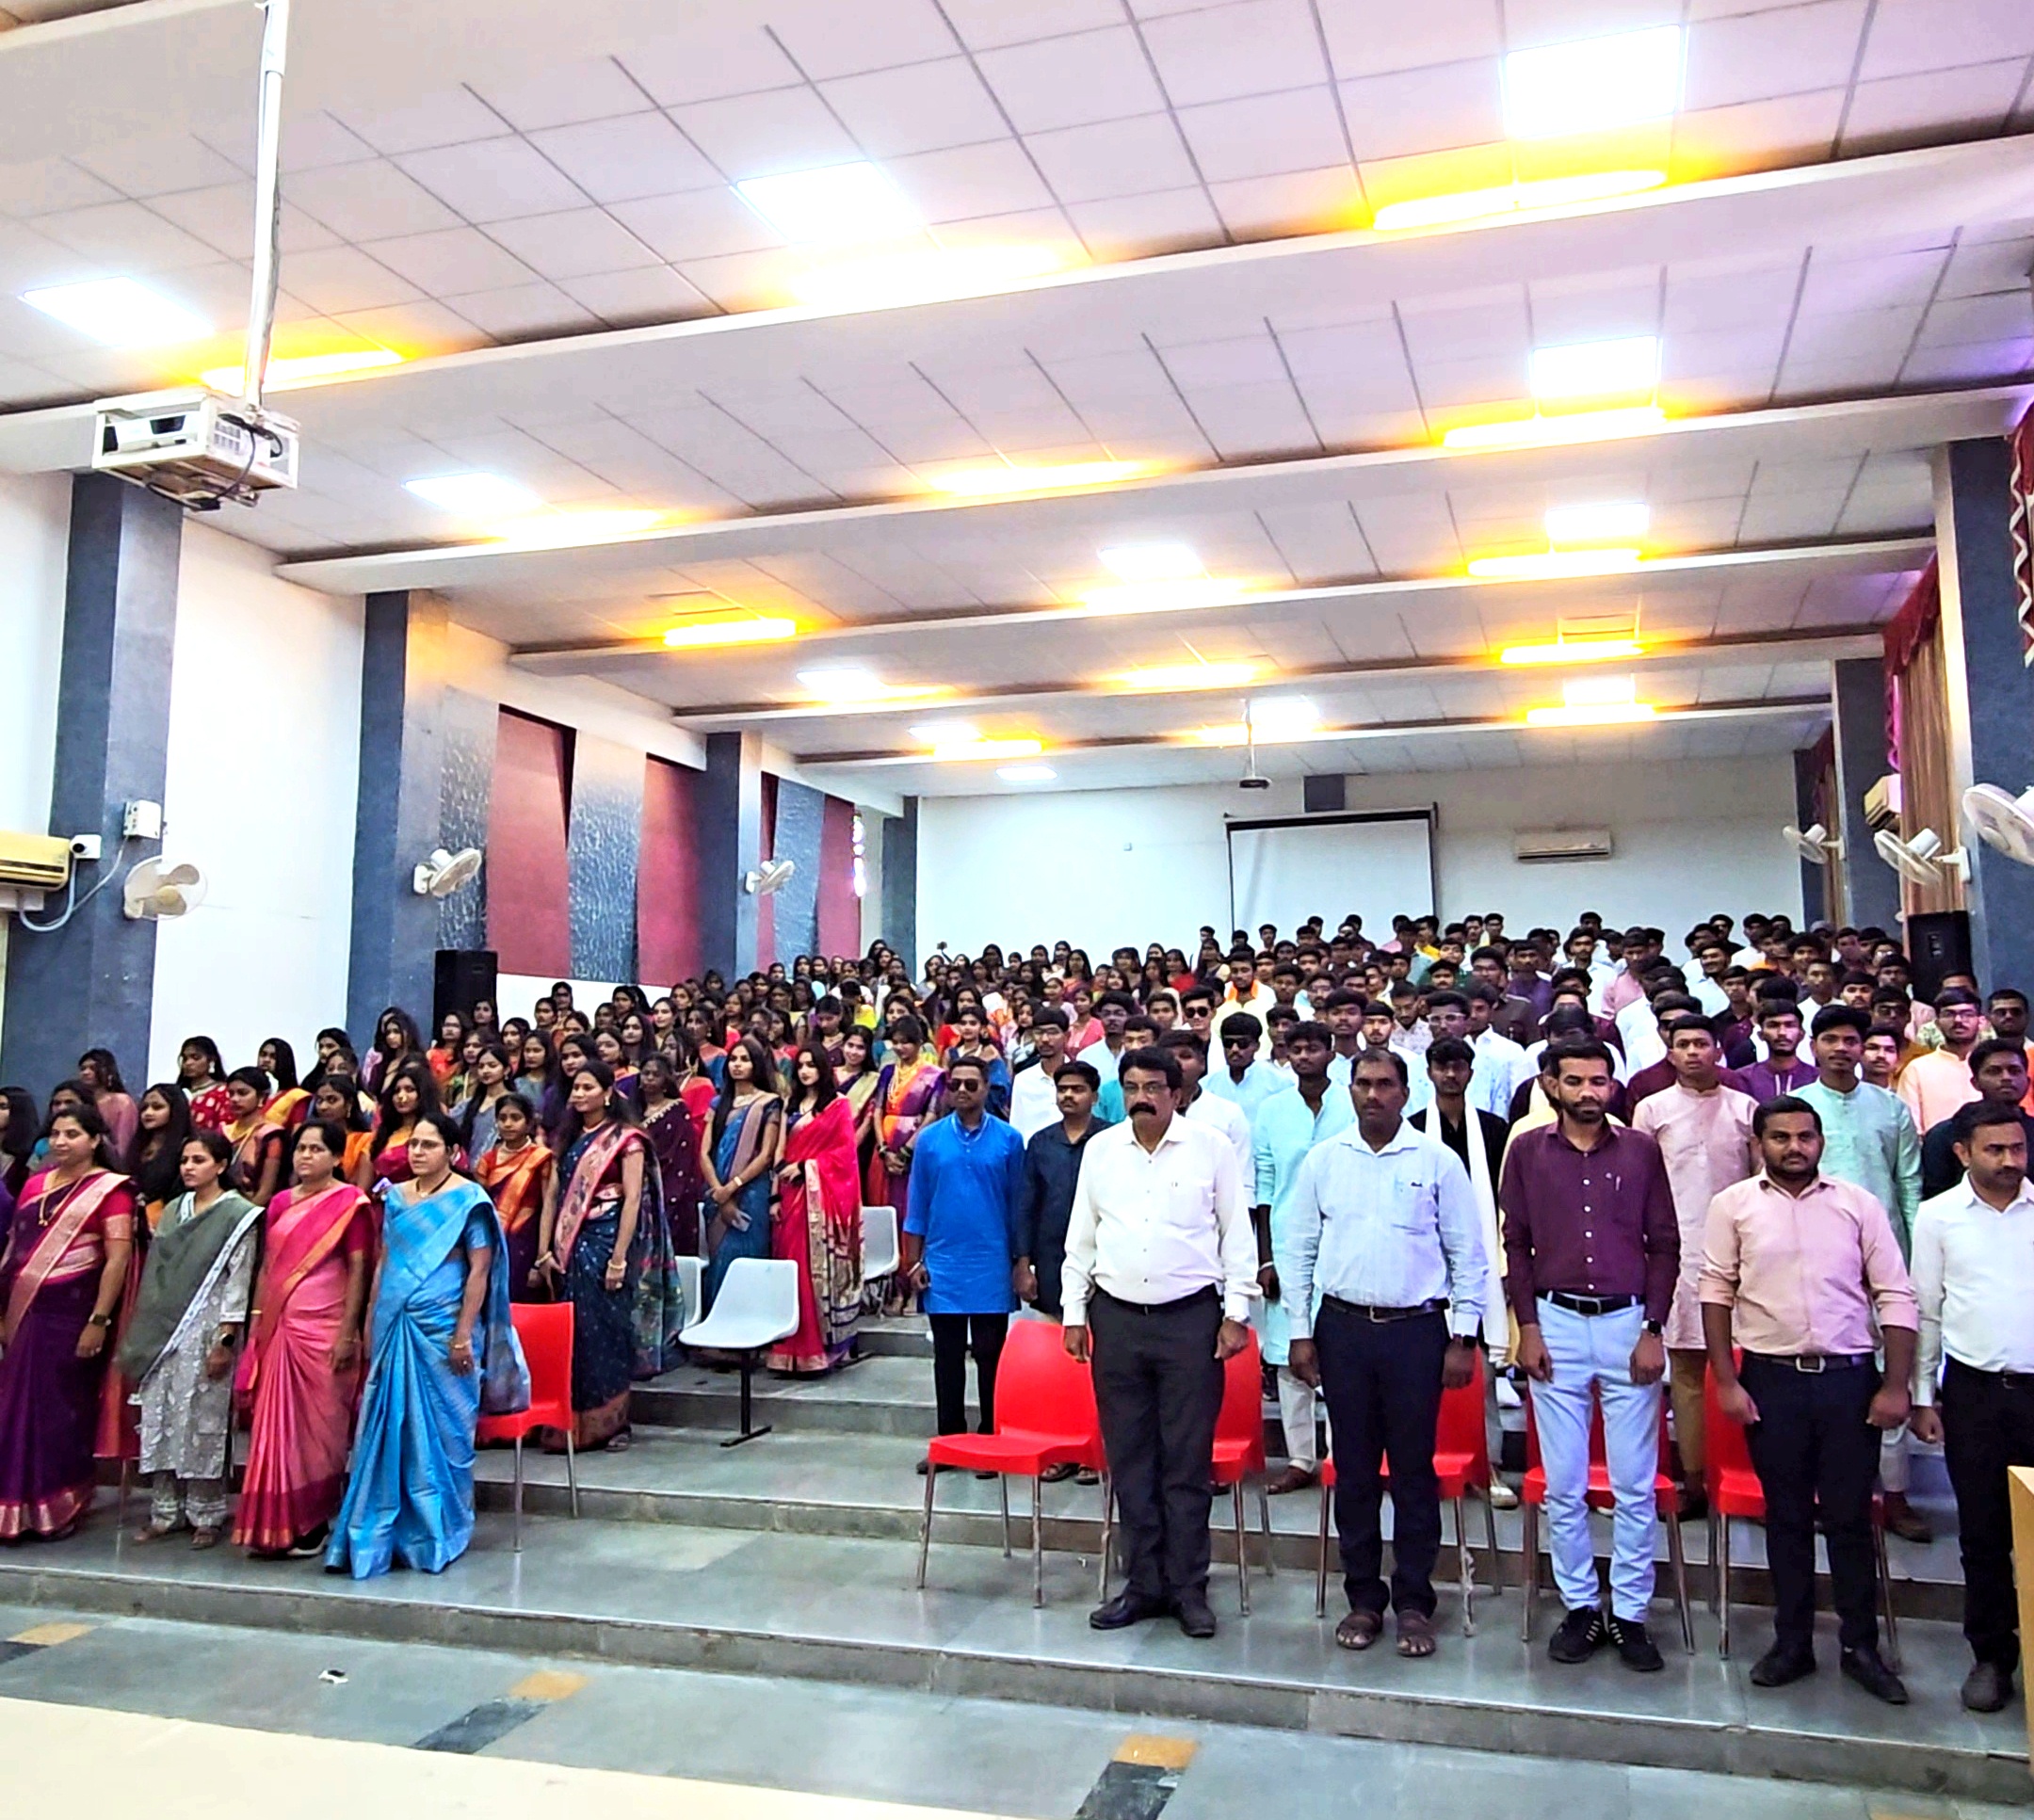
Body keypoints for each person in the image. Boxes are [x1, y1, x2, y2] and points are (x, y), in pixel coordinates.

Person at [1701, 1097, 1917, 1705]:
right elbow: (1715, 1291)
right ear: (1758, 1144)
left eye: (1804, 1136)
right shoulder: (1733, 1205)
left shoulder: (1857, 1203)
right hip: (1772, 1381)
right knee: (1787, 1517)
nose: (1794, 1147)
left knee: (1849, 1518)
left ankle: (1861, 1646)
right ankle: (1792, 1642)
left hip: (1849, 1381)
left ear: (1821, 1142)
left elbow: (1895, 1294)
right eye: (1780, 1137)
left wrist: (1896, 1384)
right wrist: (1726, 1380)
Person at [1283, 1050, 1486, 1658]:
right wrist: (1300, 1330)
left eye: (1385, 1084)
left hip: (1417, 1332)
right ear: (1350, 1091)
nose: (1373, 1094)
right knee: (1353, 1471)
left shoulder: (1437, 1160)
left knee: (1414, 1471)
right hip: (1342, 1329)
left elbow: (1468, 1253)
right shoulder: (1324, 1159)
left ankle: (1415, 1602)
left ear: (1405, 1091)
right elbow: (1297, 1248)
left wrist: (1463, 1336)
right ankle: (1364, 1598)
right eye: (1363, 1084)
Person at [1063, 1047, 1256, 1640]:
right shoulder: (1101, 1150)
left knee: (1186, 1462)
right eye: (1132, 1087)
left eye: (1153, 1087)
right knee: (1131, 1458)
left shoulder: (1211, 1148)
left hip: (1190, 1321)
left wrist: (1236, 1313)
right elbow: (1082, 1236)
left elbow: (1236, 1233)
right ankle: (1143, 1584)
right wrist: (1074, 1314)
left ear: (1177, 1093)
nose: (1141, 1097)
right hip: (1117, 1319)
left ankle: (1188, 1587)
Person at [1501, 1041, 1678, 1671]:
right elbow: (1516, 1244)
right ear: (1551, 1084)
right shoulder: (1526, 1151)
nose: (1587, 1092)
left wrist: (1653, 1327)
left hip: (1629, 1321)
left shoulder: (1641, 1151)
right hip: (1555, 1321)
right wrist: (1527, 1328)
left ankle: (1629, 1612)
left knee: (1633, 1483)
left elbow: (1665, 1243)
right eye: (1574, 1080)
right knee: (1566, 1483)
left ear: (1612, 1086)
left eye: (1598, 1081)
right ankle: (1580, 1605)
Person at [326, 1111, 527, 1579]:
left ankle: (437, 1533)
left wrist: (463, 1335)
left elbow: (479, 1272)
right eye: (413, 1144)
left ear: (453, 1152)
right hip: (395, 1322)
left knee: (443, 1437)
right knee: (385, 1430)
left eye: (428, 1145)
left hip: (443, 1332)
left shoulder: (470, 1201)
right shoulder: (395, 1197)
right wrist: (371, 1319)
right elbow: (385, 1262)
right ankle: (379, 1536)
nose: (417, 1152)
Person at [1910, 1102, 2034, 1713]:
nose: (2010, 1160)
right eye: (1995, 1150)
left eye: (2018, 1148)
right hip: (1975, 1394)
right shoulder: (1937, 1217)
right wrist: (1921, 1395)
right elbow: (1926, 1311)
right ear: (1962, 1152)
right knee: (1983, 1534)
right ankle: (1992, 1656)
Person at [1794, 1003, 1929, 1542]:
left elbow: (1909, 1183)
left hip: (1885, 1255)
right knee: (1827, 1377)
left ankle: (1895, 1495)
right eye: (1831, 1040)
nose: (1842, 1049)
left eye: (1851, 1040)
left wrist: (1912, 1256)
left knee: (1891, 1371)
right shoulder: (1798, 1108)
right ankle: (1827, 1494)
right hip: (1817, 1261)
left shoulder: (1890, 1107)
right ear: (1814, 1047)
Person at [232, 1120, 374, 1557]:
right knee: (275, 1430)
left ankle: (312, 1520)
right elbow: (268, 1266)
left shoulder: (351, 1204)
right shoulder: (278, 1203)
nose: (305, 1156)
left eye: (316, 1149)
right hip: (280, 1326)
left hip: (326, 1328)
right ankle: (271, 1524)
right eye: (300, 1149)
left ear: (337, 1157)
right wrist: (257, 1321)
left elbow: (358, 1270)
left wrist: (349, 1332)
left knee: (321, 1430)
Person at [1631, 1017, 1757, 1507]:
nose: (1691, 1052)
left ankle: (1747, 1477)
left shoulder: (1745, 1109)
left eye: (1701, 1043)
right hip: (1675, 1252)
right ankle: (1696, 1481)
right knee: (1686, 1370)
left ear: (1718, 1050)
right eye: (1682, 1044)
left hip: (1741, 1253)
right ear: (1670, 1052)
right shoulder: (1652, 1110)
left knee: (1744, 1365)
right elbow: (1638, 1185)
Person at [119, 1129, 259, 1548]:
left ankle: (206, 1514)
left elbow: (239, 1280)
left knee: (203, 1419)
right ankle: (165, 1511)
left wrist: (225, 1339)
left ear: (221, 1165)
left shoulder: (238, 1215)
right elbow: (157, 1274)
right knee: (161, 1415)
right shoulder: (173, 1210)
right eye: (184, 1160)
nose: (189, 1167)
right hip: (163, 1330)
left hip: (207, 1328)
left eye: (199, 1160)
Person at [0, 1103, 136, 1538]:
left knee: (59, 1411)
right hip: (23, 1313)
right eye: (56, 1134)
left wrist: (98, 1320)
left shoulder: (111, 1191)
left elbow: (117, 1260)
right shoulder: (34, 1184)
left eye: (72, 1134)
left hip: (72, 1317)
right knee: (12, 1409)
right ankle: (12, 1508)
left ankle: (58, 1507)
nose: (60, 1142)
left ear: (95, 1140)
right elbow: (14, 1248)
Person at [1410, 1034, 1516, 1506]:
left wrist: (1506, 1264)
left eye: (1459, 1067)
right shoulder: (1413, 1129)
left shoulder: (1494, 1130)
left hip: (1484, 1255)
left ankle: (1487, 1464)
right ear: (1429, 1073)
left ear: (1471, 1073)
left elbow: (1509, 1200)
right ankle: (1428, 1463)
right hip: (1426, 1259)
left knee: (1480, 1370)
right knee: (1423, 1371)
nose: (1451, 1075)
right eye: (1442, 1066)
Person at [1251, 1020, 1351, 1495]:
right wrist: (1266, 1259)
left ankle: (1342, 1456)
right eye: (1297, 1049)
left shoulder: (1352, 1102)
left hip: (1344, 1241)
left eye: (1314, 1047)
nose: (1305, 1056)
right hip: (1288, 1240)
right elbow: (1265, 1185)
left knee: (1340, 1356)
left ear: (1331, 1052)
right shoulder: (1273, 1110)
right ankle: (1299, 1459)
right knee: (1289, 1357)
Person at [904, 1055, 1025, 1452]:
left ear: (987, 1089)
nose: (961, 1091)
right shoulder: (930, 1140)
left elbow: (1017, 1206)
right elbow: (917, 1204)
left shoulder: (1009, 1140)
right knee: (948, 1359)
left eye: (971, 1085)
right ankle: (950, 1442)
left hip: (991, 1262)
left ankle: (992, 1442)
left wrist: (1020, 1262)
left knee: (992, 1359)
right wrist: (914, 1261)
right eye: (954, 1084)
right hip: (943, 1263)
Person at [536, 1063, 651, 1448]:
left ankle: (613, 1424)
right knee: (572, 1333)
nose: (579, 1094)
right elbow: (553, 1196)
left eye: (588, 1087)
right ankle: (569, 1424)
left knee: (606, 1332)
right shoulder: (567, 1137)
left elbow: (632, 1199)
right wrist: (544, 1252)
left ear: (608, 1093)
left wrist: (619, 1259)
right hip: (568, 1246)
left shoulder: (626, 1139)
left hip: (607, 1242)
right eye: (576, 1088)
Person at [769, 1044, 865, 1375]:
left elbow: (845, 1157)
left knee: (809, 1271)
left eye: (811, 1065)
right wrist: (774, 1196)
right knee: (790, 1269)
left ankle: (814, 1348)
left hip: (819, 1198)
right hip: (789, 1195)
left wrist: (806, 1167)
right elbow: (780, 1154)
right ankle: (787, 1348)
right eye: (800, 1066)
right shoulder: (790, 1105)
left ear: (823, 1068)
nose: (805, 1071)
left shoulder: (838, 1106)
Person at [1014, 1060, 1108, 1333]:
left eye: (1077, 1090)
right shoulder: (1041, 1143)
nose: (1068, 1095)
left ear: (1094, 1097)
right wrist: (1023, 1265)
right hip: (1051, 1257)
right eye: (1062, 1089)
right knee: (1054, 1337)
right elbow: (1027, 1206)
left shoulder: (1110, 1139)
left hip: (1101, 1255)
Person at [700, 1036, 783, 1307]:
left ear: (756, 1065)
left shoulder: (769, 1103)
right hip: (717, 1190)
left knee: (747, 1254)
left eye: (745, 1060)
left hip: (750, 1191)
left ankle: (750, 1317)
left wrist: (732, 1187)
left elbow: (766, 1155)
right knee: (719, 1257)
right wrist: (719, 1191)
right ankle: (717, 1319)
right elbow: (704, 1152)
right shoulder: (718, 1103)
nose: (737, 1064)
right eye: (733, 1059)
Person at [1921, 1039, 2034, 1199]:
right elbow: (1937, 1194)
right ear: (1975, 1082)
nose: (2006, 1078)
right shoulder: (1945, 1135)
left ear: (2028, 1082)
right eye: (1994, 1071)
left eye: (2014, 1071)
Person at [474, 1093, 554, 1298]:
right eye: (502, 1118)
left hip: (528, 1242)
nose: (508, 1124)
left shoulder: (541, 1158)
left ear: (529, 1123)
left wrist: (541, 1257)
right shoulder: (487, 1161)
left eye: (515, 1118)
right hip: (494, 1241)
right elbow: (480, 1208)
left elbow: (549, 1206)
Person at [1897, 986, 1985, 1132]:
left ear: (1981, 1021)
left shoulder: (1993, 1065)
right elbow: (1910, 1128)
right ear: (1937, 1023)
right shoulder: (1918, 1069)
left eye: (1967, 1014)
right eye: (1949, 1014)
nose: (1958, 1020)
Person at [127, 1082, 196, 1226]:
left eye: (157, 1107)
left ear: (175, 1110)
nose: (148, 1113)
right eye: (144, 1108)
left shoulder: (187, 1147)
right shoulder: (138, 1145)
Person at [219, 1067, 286, 1207]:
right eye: (231, 1093)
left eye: (243, 1093)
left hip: (253, 1209)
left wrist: (246, 1216)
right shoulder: (223, 1131)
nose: (235, 1099)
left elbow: (265, 1191)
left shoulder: (270, 1135)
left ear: (262, 1097)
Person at [1009, 1008, 1070, 1141]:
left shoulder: (1078, 1078)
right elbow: (1016, 1126)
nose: (1045, 1039)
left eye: (1052, 1032)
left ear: (1067, 1036)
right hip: (1033, 1150)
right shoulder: (1023, 1080)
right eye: (1039, 1033)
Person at [1741, 1001, 1816, 1103]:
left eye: (1790, 1025)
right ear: (1761, 1035)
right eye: (1773, 1025)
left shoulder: (1818, 1078)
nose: (1782, 1033)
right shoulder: (1744, 1079)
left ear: (1801, 1034)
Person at [76, 1048, 138, 1160]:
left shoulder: (122, 1102)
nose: (86, 1072)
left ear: (108, 1072)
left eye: (93, 1068)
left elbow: (123, 1145)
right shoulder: (77, 1102)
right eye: (83, 1069)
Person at [176, 1037, 234, 1133]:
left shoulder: (223, 1093)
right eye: (185, 1059)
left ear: (211, 1060)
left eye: (196, 1058)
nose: (188, 1063)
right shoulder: (177, 1093)